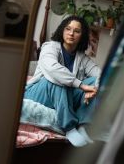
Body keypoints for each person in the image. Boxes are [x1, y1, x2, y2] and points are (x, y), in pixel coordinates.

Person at [24, 15, 102, 147]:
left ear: (81, 36)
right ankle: (69, 128)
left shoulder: (81, 57)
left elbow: (100, 73)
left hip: (62, 96)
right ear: (62, 30)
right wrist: (81, 85)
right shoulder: (49, 47)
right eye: (68, 29)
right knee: (57, 79)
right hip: (38, 93)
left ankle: (82, 126)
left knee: (94, 81)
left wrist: (94, 89)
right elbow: (53, 70)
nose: (71, 33)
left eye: (77, 31)